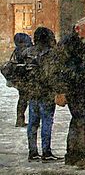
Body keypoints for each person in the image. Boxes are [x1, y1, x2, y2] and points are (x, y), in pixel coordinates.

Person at [54, 17, 85, 168]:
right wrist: (60, 90)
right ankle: (78, 154)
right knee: (79, 120)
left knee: (79, 120)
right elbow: (59, 69)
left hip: (84, 89)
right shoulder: (66, 43)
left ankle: (74, 154)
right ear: (77, 29)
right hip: (72, 88)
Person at [22, 27, 60, 161]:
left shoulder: (27, 52)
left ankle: (32, 151)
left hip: (32, 91)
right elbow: (52, 74)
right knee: (47, 121)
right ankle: (46, 151)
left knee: (33, 122)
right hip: (46, 92)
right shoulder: (50, 54)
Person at [5, 32, 33, 127]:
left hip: (20, 78)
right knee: (27, 99)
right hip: (26, 78)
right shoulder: (26, 50)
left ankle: (20, 119)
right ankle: (23, 120)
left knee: (23, 99)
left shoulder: (17, 49)